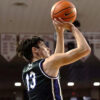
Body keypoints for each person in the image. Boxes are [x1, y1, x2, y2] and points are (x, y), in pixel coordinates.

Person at [17, 18, 91, 100]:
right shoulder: (47, 64)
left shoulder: (25, 71)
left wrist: (60, 33)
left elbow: (57, 59)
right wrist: (72, 28)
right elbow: (85, 49)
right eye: (44, 46)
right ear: (35, 50)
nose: (48, 49)